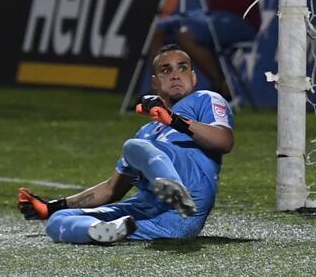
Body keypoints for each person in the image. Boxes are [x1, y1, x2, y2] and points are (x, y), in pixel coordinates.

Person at [17, 45, 234, 244]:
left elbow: (223, 141)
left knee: (133, 146)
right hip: (161, 220)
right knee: (57, 222)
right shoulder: (147, 132)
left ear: (194, 77)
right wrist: (50, 207)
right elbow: (112, 189)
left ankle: (175, 190)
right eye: (166, 70)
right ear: (155, 83)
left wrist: (173, 120)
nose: (176, 74)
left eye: (183, 68)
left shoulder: (205, 99)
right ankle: (103, 230)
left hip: (187, 206)